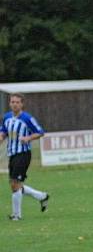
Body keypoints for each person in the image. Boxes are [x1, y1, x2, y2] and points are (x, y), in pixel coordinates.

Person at [1, 93, 49, 221]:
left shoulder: (27, 118)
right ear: (10, 103)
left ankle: (16, 215)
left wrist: (28, 138)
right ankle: (41, 196)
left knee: (15, 184)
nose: (14, 104)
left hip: (23, 154)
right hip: (12, 153)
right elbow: (3, 132)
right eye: (12, 102)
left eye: (17, 102)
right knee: (13, 184)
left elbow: (40, 132)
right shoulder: (6, 117)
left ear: (22, 104)